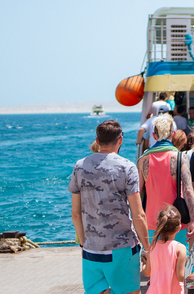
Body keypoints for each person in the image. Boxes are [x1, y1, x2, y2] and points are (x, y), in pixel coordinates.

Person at [70, 120, 150, 294]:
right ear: (120, 140)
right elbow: (138, 215)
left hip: (92, 249)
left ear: (97, 141)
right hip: (122, 249)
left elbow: (75, 214)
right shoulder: (127, 167)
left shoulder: (79, 166)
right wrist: (147, 247)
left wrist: (85, 244)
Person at [136, 114, 194, 246]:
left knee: (155, 264)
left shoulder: (143, 160)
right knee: (178, 263)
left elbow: (137, 194)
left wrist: (136, 223)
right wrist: (193, 220)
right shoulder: (180, 158)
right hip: (177, 222)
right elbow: (187, 190)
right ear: (173, 134)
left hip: (151, 223)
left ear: (154, 135)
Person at [142, 205, 187, 294]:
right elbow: (180, 277)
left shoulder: (153, 246)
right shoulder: (180, 248)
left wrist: (144, 263)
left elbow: (147, 273)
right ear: (178, 229)